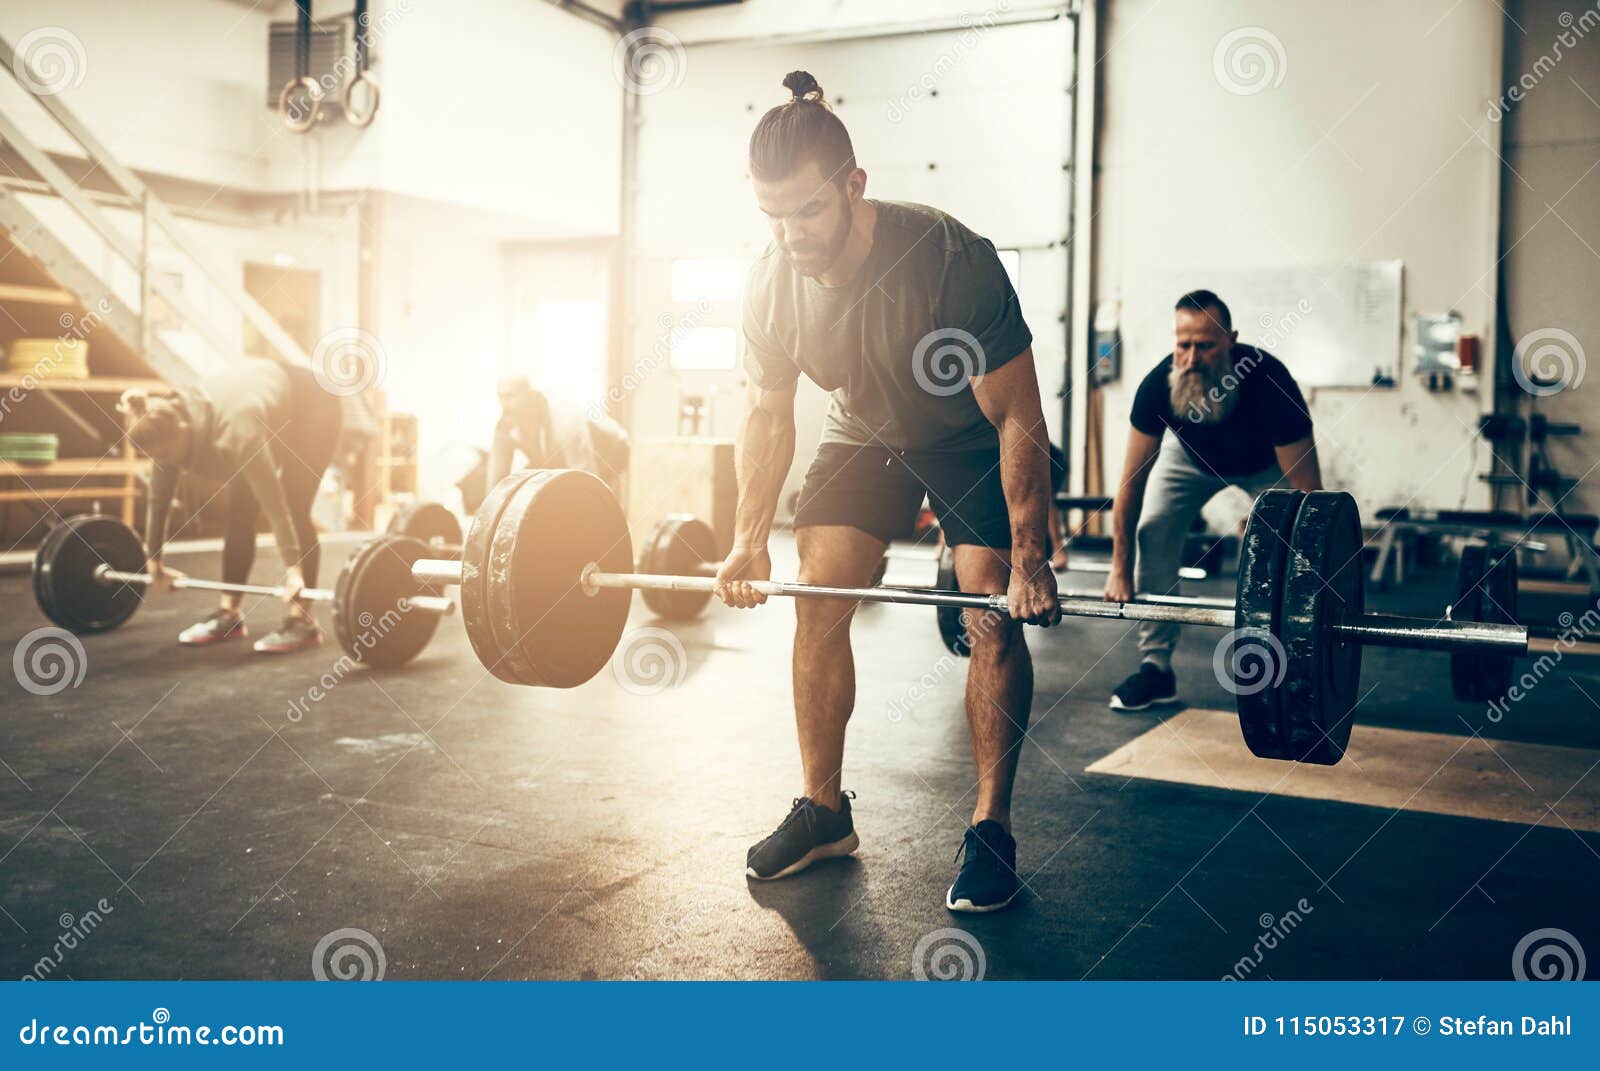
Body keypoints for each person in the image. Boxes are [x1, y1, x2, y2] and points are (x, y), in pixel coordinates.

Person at [717, 71, 1059, 914]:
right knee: (817, 589)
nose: (790, 234)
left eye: (807, 211)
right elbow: (766, 416)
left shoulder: (950, 260)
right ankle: (825, 810)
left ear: (853, 185)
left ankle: (990, 827)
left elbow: (1018, 415)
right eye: (772, 216)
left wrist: (1031, 560)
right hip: (862, 429)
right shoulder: (769, 282)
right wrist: (746, 536)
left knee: (989, 610)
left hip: (964, 436)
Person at [1104, 289, 1323, 710]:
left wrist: (1316, 578)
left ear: (1230, 340)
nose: (1192, 358)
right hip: (1189, 461)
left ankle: (1287, 663)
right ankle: (1156, 669)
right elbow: (1131, 483)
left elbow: (1309, 492)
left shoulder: (1269, 381)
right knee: (1155, 530)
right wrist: (1118, 569)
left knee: (1283, 542)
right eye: (1183, 345)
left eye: (1205, 345)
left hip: (1265, 466)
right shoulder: (1158, 386)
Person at [118, 358, 342, 653]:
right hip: (264, 404)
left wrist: (294, 571)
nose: (171, 465)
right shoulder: (162, 426)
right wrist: (155, 562)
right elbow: (158, 502)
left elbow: (276, 508)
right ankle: (230, 615)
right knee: (239, 512)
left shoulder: (239, 430)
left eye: (171, 457)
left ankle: (302, 621)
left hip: (314, 404)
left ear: (185, 430)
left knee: (294, 504)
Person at [487, 376, 630, 501]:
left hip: (611, 451)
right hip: (559, 455)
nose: (504, 403)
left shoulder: (564, 420)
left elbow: (586, 477)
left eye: (510, 396)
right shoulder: (505, 425)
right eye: (500, 396)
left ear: (530, 396)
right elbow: (496, 484)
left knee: (590, 500)